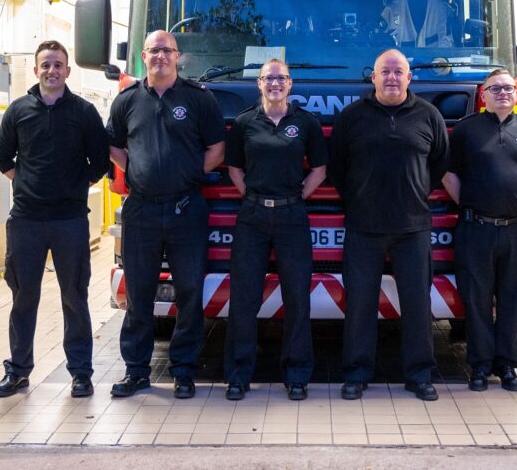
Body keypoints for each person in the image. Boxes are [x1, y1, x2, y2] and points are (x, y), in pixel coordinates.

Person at [106, 30, 226, 399]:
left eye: (167, 51)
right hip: (141, 210)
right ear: (144, 56)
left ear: (178, 57)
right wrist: (138, 169)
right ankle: (137, 371)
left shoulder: (197, 99)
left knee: (190, 292)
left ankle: (184, 371)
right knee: (139, 294)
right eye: (154, 51)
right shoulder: (126, 100)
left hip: (186, 208)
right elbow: (113, 143)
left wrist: (189, 173)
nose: (161, 56)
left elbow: (218, 148)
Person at [0, 40, 111, 399]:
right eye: (46, 65)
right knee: (23, 297)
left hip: (70, 220)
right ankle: (18, 371)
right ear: (36, 69)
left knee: (74, 296)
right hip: (27, 219)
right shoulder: (18, 110)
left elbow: (100, 162)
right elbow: (1, 157)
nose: (51, 71)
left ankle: (80, 373)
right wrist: (28, 183)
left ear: (67, 71)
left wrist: (72, 186)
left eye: (58, 65)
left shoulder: (84, 112)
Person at [329, 49, 449, 401]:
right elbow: (337, 165)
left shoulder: (429, 116)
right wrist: (357, 199)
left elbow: (440, 163)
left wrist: (416, 193)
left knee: (416, 304)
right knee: (360, 305)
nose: (392, 77)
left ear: (410, 77)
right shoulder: (352, 116)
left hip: (413, 228)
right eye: (386, 71)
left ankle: (420, 375)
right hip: (363, 227)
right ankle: (356, 374)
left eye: (399, 71)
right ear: (374, 77)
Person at [223, 59, 328, 402]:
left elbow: (320, 169)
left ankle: (296, 376)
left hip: (292, 217)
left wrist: (296, 197)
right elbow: (235, 168)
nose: (275, 84)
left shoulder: (305, 123)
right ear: (259, 83)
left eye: (281, 78)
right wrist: (253, 197)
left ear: (290, 83)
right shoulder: (243, 124)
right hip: (252, 217)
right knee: (243, 298)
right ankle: (238, 376)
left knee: (297, 297)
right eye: (269, 78)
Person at [443, 69, 517, 392]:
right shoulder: (465, 130)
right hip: (476, 229)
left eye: (507, 88)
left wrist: (513, 202)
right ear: (483, 95)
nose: (502, 92)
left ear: (515, 93)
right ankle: (479, 365)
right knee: (475, 300)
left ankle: (507, 365)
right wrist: (475, 205)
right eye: (495, 89)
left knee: (513, 300)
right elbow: (448, 175)